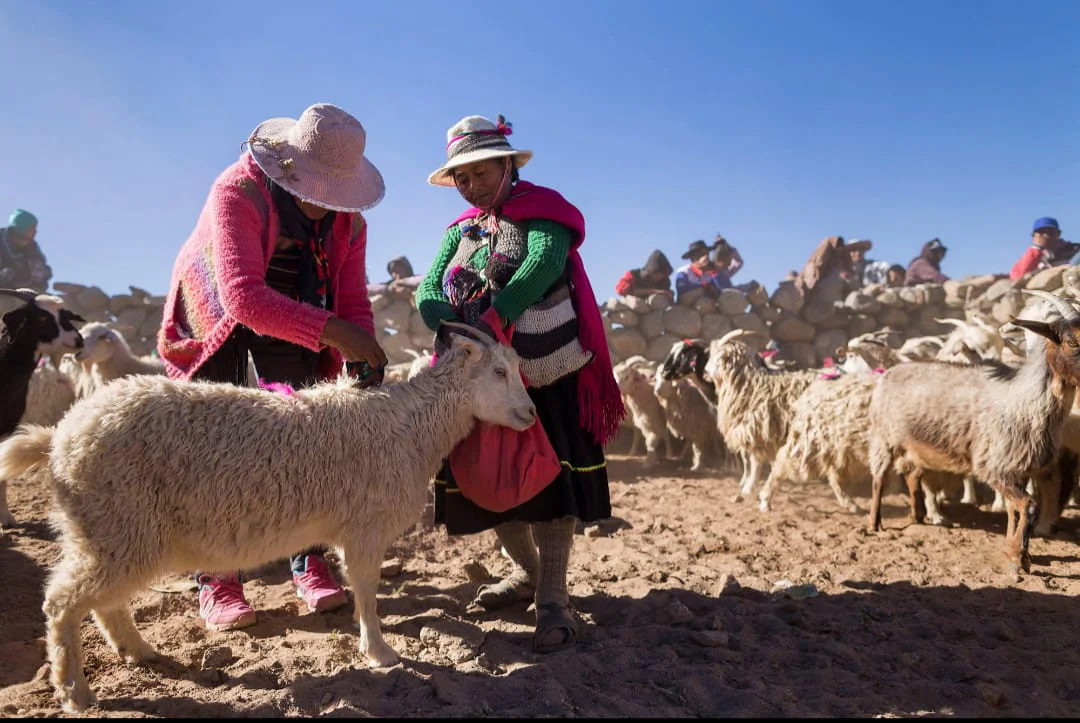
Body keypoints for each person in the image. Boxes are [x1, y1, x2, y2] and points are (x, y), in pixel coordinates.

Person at [157, 103, 388, 632]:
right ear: (289, 169)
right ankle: (218, 575)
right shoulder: (239, 191)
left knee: (305, 434)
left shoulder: (349, 224)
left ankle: (308, 557)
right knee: (219, 445)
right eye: (314, 189)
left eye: (334, 191)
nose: (323, 201)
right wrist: (334, 332)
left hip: (302, 309)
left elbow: (351, 301)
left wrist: (364, 350)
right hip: (223, 310)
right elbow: (242, 297)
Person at [416, 114, 624, 654]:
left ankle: (553, 594)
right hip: (481, 385)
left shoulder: (542, 211)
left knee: (551, 485)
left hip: (545, 371)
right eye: (462, 178)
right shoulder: (460, 232)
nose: (473, 185)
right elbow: (429, 288)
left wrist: (496, 316)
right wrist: (449, 322)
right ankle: (526, 573)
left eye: (482, 172)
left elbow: (543, 261)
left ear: (508, 164)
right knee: (491, 483)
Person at [1010, 217, 1079, 281]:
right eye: (1041, 232)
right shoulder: (1031, 257)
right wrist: (1036, 248)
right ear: (1034, 236)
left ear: (1058, 234)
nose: (1046, 236)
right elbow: (1017, 276)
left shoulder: (1074, 250)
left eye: (1050, 232)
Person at [0, 209, 52, 292]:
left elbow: (44, 270)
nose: (35, 231)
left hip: (27, 291)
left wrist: (38, 273)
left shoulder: (32, 248)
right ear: (22, 226)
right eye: (32, 228)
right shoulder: (2, 241)